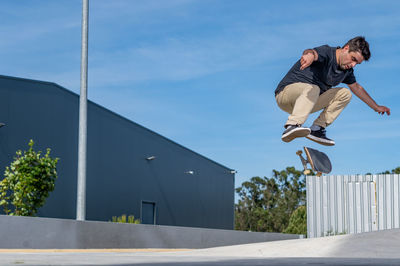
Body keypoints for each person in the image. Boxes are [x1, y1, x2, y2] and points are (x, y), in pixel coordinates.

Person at [275, 36, 390, 146]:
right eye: (353, 59)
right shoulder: (327, 52)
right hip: (286, 94)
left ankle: (317, 129)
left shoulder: (346, 71)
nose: (353, 65)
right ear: (346, 49)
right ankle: (292, 125)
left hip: (306, 104)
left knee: (345, 94)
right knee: (314, 88)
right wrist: (308, 55)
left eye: (357, 63)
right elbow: (313, 52)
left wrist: (376, 107)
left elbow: (357, 88)